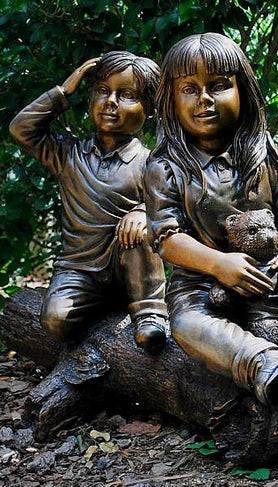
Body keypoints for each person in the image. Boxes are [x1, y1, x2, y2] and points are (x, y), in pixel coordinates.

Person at [144, 33, 278, 405]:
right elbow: (166, 237)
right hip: (203, 285)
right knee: (187, 325)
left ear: (244, 90)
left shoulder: (265, 153)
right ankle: (262, 363)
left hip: (274, 273)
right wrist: (218, 264)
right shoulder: (165, 168)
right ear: (170, 99)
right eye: (189, 89)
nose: (204, 99)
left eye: (219, 86)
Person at [9, 51, 168, 353]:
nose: (110, 102)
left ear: (148, 110)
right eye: (102, 91)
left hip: (131, 266)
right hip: (79, 269)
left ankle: (149, 312)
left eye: (126, 95)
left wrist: (144, 212)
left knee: (138, 228)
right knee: (55, 321)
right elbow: (21, 130)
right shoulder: (68, 156)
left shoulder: (152, 163)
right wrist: (63, 91)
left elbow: (175, 210)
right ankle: (101, 307)